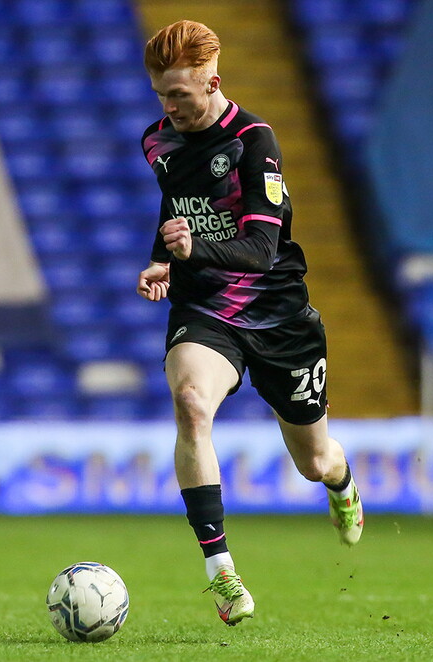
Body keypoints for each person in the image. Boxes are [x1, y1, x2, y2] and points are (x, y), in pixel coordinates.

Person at [136, 20, 363, 626]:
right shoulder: (157, 142)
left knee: (312, 461)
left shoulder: (254, 141)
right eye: (161, 93)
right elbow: (177, 209)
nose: (169, 106)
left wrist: (188, 252)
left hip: (277, 314)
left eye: (180, 94)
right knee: (190, 402)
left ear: (213, 82)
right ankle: (223, 576)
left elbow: (261, 251)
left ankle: (342, 481)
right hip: (205, 307)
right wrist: (163, 259)